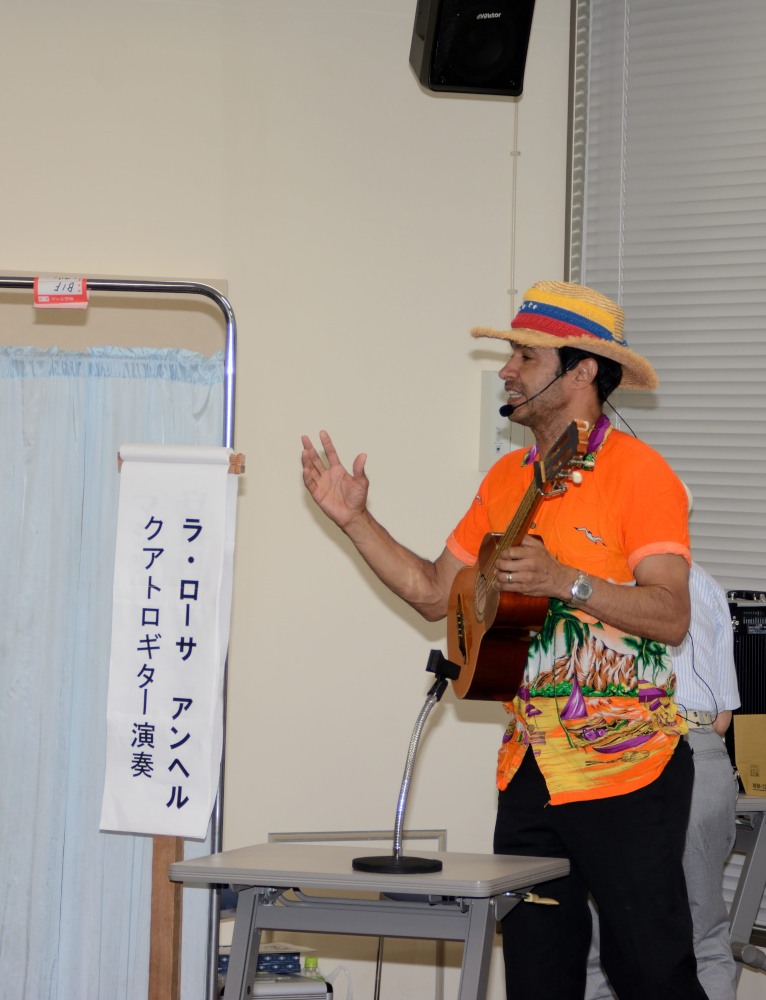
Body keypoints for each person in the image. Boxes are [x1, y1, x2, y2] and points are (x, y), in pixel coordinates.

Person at [301, 280, 707, 999]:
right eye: (511, 354)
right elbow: (434, 592)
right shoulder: (506, 479)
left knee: (651, 977)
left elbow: (672, 614)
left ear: (582, 371)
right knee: (535, 981)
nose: (507, 370)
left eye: (525, 356)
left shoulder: (640, 474)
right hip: (528, 771)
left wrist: (566, 580)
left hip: (627, 773)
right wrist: (355, 520)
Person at [585, 559, 741, 1000]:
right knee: (704, 936)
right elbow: (724, 718)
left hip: (620, 754)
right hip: (702, 750)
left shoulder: (593, 577)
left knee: (602, 938)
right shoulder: (705, 583)